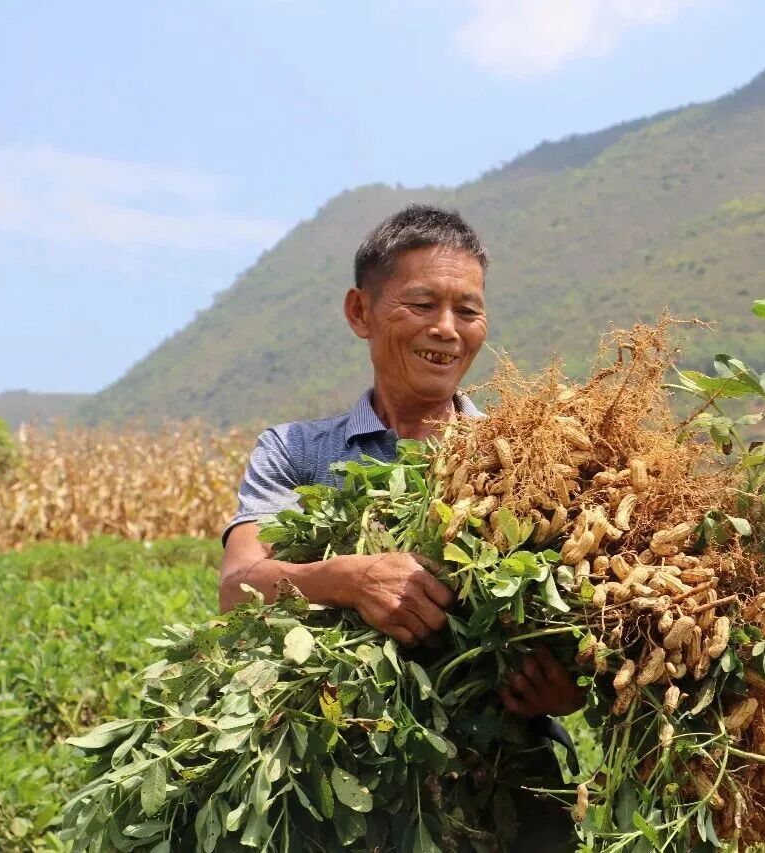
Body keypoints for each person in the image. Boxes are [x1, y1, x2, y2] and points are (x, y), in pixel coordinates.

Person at [219, 204, 580, 850]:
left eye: (467, 311)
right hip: (351, 793)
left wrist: (568, 689)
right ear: (360, 312)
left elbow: (599, 620)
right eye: (422, 304)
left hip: (508, 790)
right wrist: (348, 580)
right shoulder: (297, 453)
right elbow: (236, 589)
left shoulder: (534, 458)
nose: (446, 329)